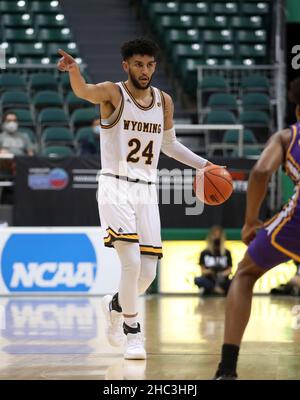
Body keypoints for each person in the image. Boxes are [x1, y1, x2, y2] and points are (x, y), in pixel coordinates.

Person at [57, 37, 215, 360]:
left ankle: (114, 304)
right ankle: (132, 333)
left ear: (155, 66)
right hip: (115, 185)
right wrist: (73, 71)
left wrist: (205, 164)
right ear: (125, 65)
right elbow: (84, 91)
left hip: (146, 190)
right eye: (138, 64)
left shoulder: (163, 101)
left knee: (147, 274)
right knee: (129, 264)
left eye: (150, 64)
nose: (145, 70)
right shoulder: (114, 93)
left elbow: (169, 145)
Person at [213, 76, 300, 380]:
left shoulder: (288, 137)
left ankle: (227, 369)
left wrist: (251, 220)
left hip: (297, 223)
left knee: (246, 273)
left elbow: (261, 170)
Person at [194, 226, 232, 296]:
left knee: (235, 281)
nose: (217, 238)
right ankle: (216, 289)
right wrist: (211, 271)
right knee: (198, 280)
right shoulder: (204, 253)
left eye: (219, 235)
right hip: (209, 279)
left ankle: (215, 289)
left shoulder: (227, 252)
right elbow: (203, 271)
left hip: (223, 280)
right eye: (214, 235)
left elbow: (229, 270)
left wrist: (221, 274)